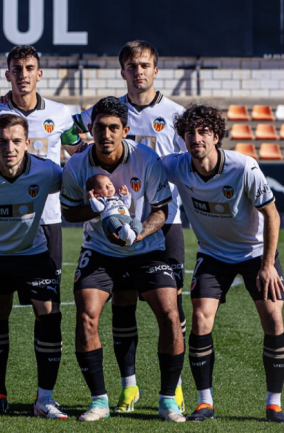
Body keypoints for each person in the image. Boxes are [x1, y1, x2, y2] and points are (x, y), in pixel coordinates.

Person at [0, 45, 79, 413]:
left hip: (45, 221)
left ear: (40, 73)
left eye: (30, 67)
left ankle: (44, 398)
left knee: (48, 310)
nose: (23, 73)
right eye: (16, 68)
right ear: (7, 73)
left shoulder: (59, 114)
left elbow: (80, 156)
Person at [68, 40, 187, 413]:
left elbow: (170, 194)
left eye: (145, 65)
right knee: (109, 307)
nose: (106, 134)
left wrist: (137, 231)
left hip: (158, 229)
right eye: (132, 66)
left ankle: (172, 393)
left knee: (172, 310)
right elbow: (68, 142)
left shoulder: (173, 118)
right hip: (102, 243)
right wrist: (98, 209)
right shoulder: (84, 149)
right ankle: (118, 391)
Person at [160, 104, 284, 423]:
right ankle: (205, 403)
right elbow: (141, 164)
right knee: (201, 320)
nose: (196, 138)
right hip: (213, 255)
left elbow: (272, 214)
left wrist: (268, 265)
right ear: (183, 139)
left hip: (256, 254)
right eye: (190, 133)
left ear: (216, 137)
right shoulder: (176, 166)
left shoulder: (243, 167)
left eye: (203, 132)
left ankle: (274, 403)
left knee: (274, 320)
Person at [86, 174, 142, 246]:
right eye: (104, 187)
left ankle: (133, 234)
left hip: (126, 219)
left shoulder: (117, 197)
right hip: (110, 219)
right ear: (96, 193)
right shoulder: (102, 200)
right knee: (112, 220)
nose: (109, 187)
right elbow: (98, 209)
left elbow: (127, 206)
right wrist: (92, 198)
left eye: (110, 184)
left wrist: (126, 195)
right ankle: (122, 233)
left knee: (136, 222)